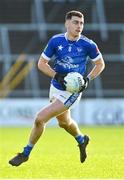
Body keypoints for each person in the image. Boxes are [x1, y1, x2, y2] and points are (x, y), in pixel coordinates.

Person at [9, 10, 105, 166]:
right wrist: (57, 76)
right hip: (57, 86)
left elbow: (100, 64)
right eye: (75, 22)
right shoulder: (56, 41)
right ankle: (82, 139)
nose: (79, 26)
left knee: (40, 119)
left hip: (73, 91)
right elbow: (41, 63)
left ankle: (25, 153)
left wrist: (87, 79)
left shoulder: (88, 44)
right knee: (64, 123)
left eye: (81, 23)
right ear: (67, 23)